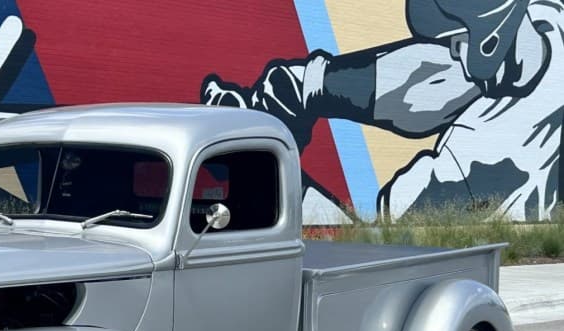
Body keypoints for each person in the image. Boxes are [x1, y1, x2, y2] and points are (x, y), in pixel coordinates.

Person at [202, 0, 562, 221]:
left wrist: (264, 173)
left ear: (490, 39)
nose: (453, 55)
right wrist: (311, 85)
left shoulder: (472, 165)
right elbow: (431, 78)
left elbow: (373, 240)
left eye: (457, 43)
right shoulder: (548, 18)